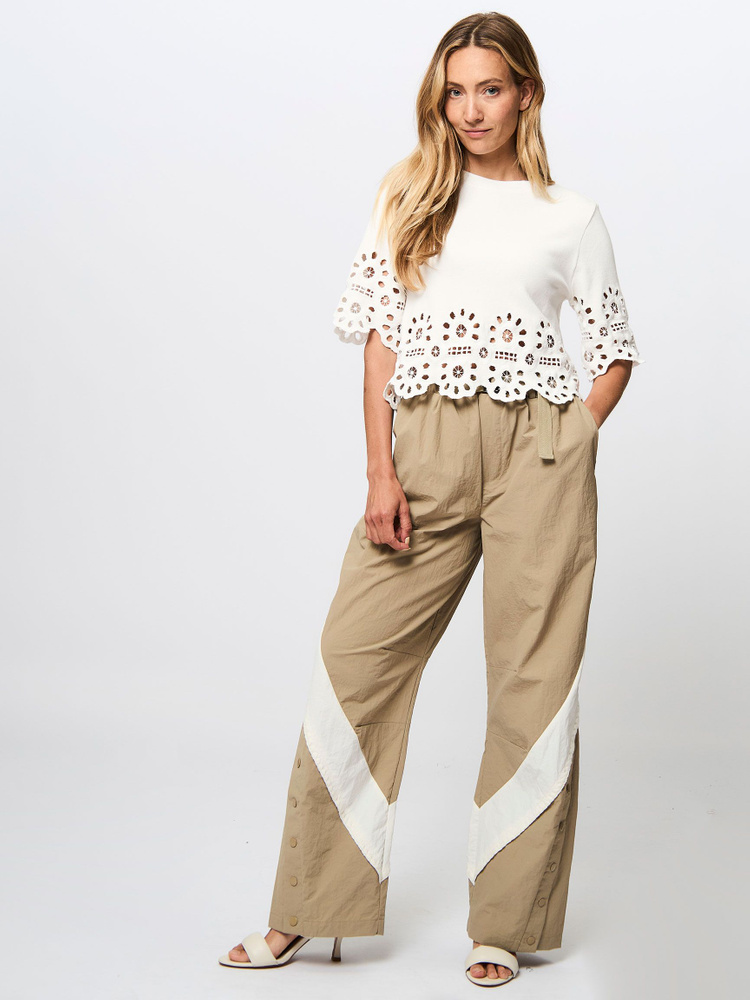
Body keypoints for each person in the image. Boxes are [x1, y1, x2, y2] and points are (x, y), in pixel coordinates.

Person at [218, 10, 644, 989]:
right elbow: (381, 340)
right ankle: (306, 909)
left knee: (533, 681)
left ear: (527, 93)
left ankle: (504, 924)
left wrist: (572, 437)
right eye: (456, 91)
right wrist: (381, 471)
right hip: (427, 448)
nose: (471, 109)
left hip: (539, 449)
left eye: (490, 88)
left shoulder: (570, 216)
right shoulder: (409, 195)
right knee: (354, 662)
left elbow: (615, 349)